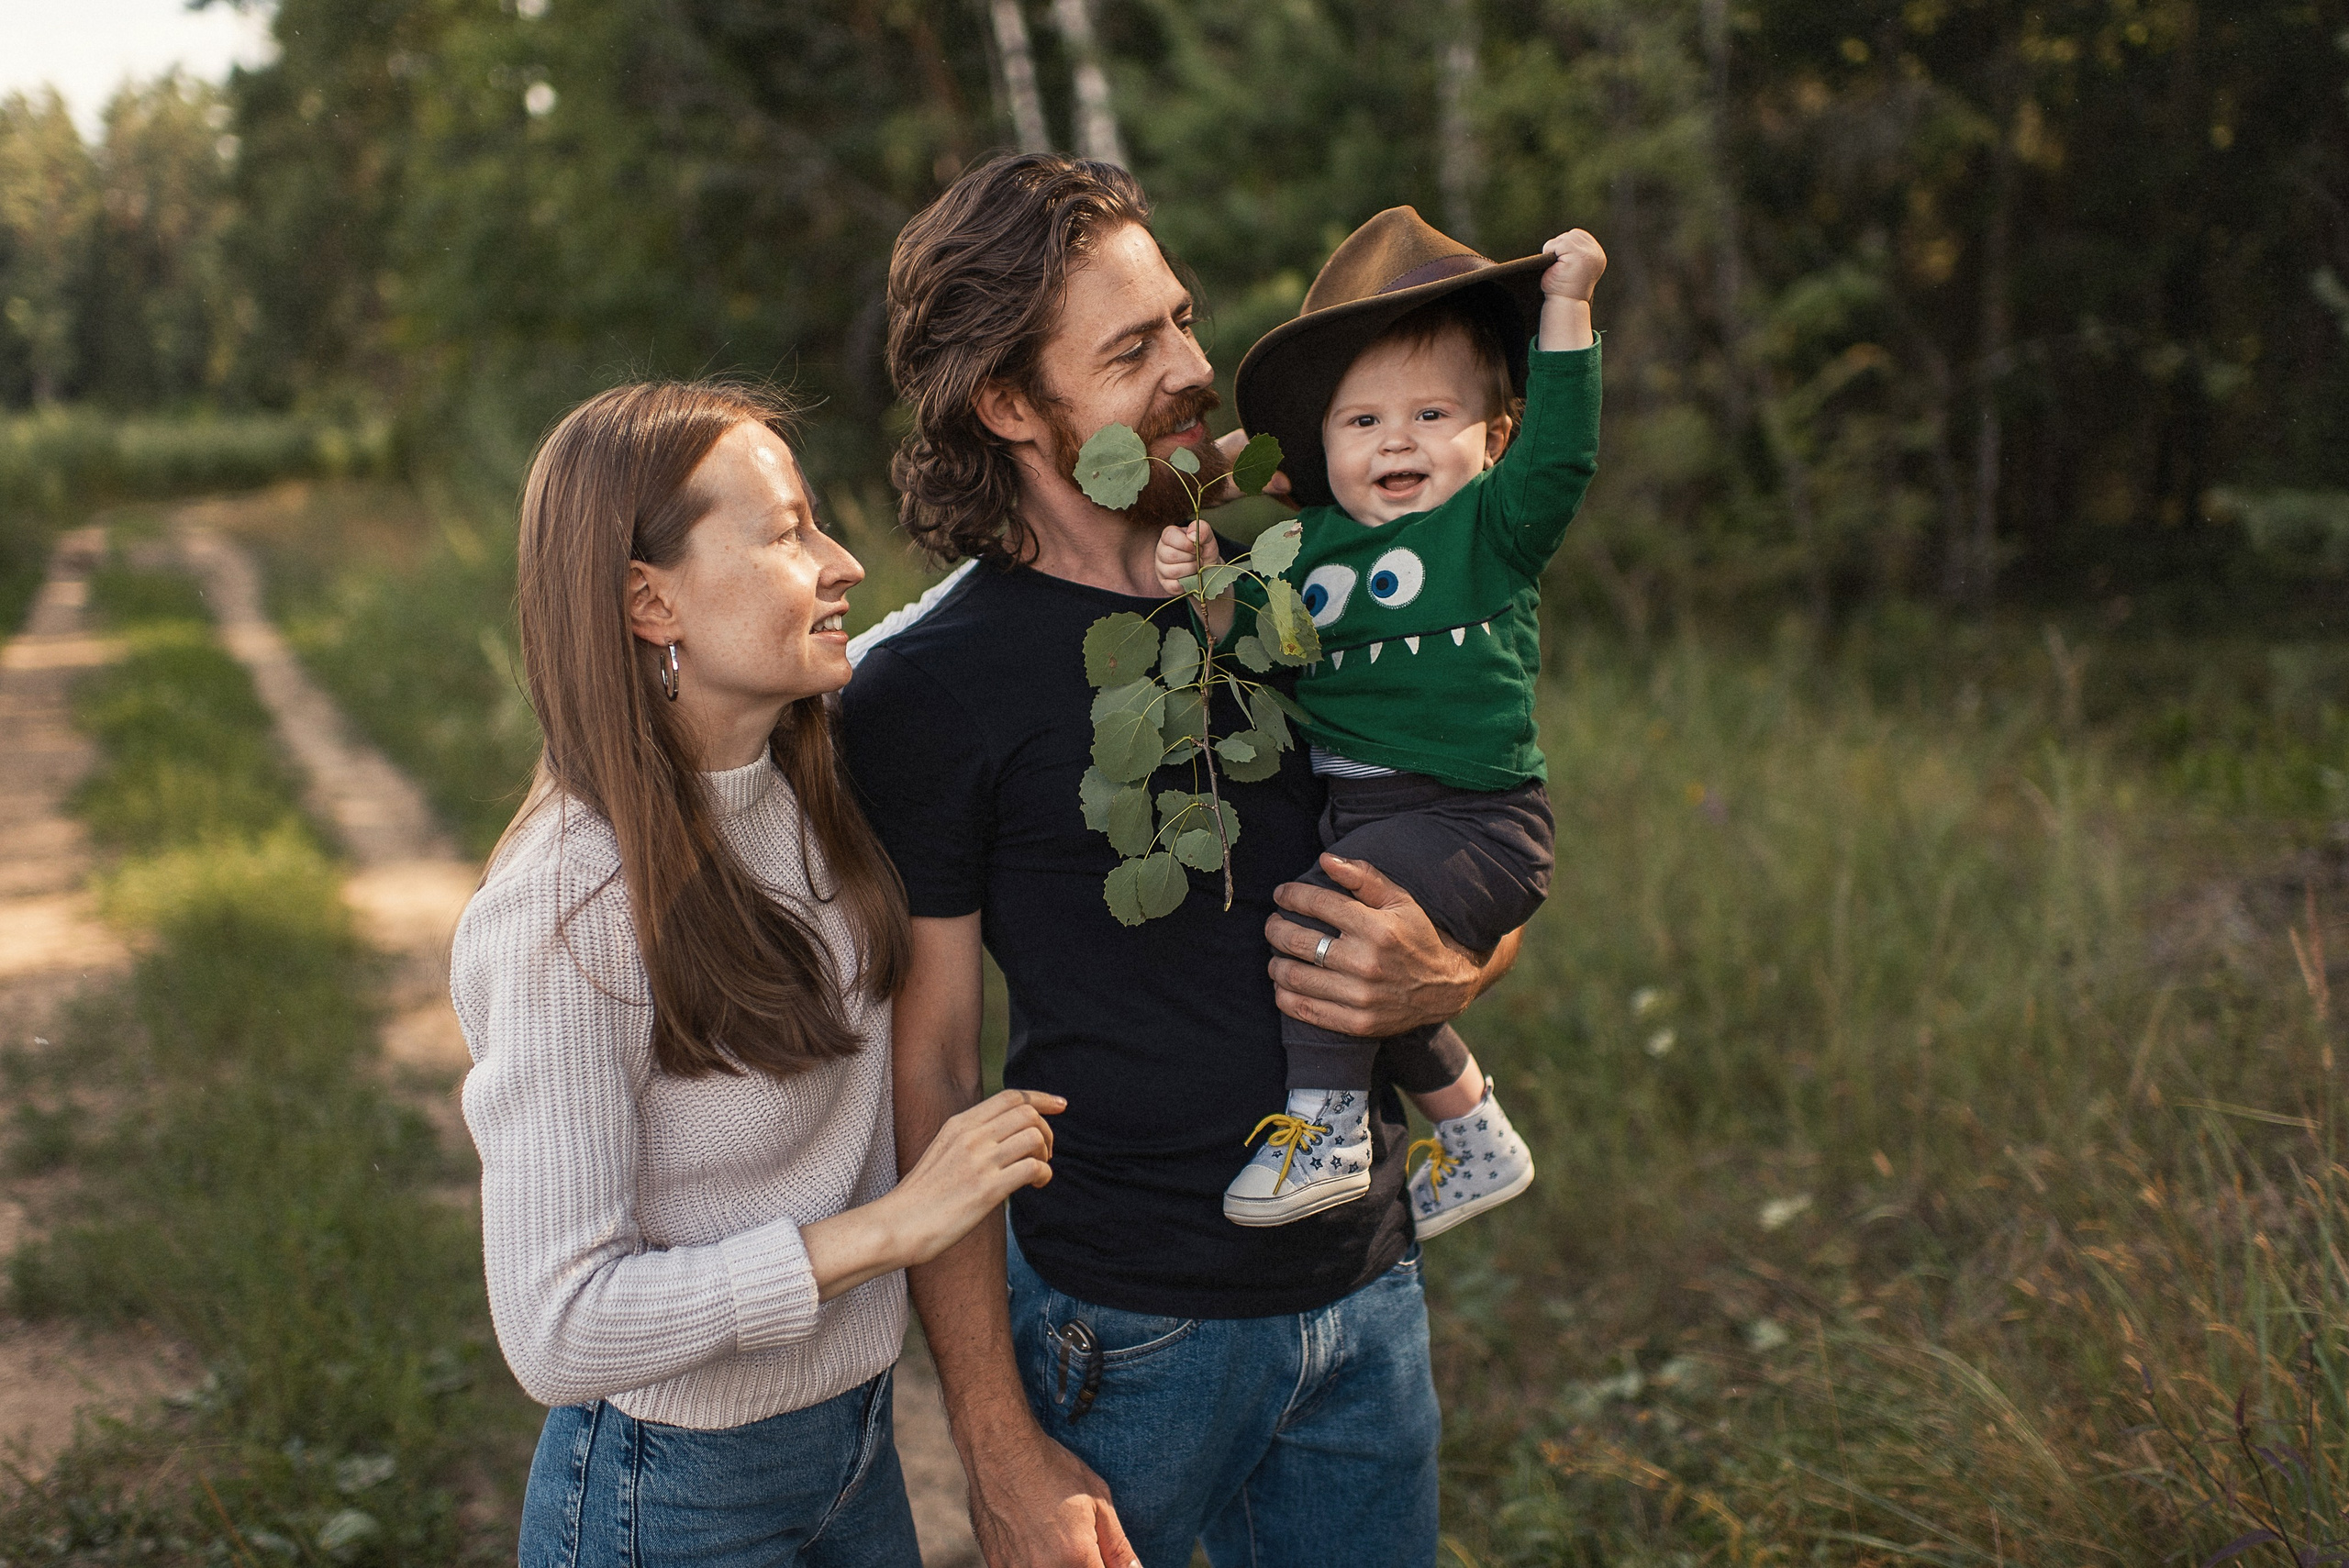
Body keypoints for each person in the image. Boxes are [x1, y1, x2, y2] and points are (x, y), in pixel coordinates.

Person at [841, 155, 1521, 1568]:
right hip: (1130, 1328)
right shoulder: (926, 688)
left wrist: (1449, 965)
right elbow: (933, 1067)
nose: (1197, 368)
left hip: (1368, 1285)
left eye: (1186, 319)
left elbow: (1465, 840)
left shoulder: (1290, 584)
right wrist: (995, 1438)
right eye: (1135, 347)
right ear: (1013, 405)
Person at [451, 380, 1063, 1568]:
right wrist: (883, 1229)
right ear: (649, 598)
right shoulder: (564, 905)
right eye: (787, 532)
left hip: (853, 1445)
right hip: (676, 1494)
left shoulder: (806, 782)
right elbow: (555, 1327)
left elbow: (971, 614)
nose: (840, 562)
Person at [1155, 207, 1605, 1236]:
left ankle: (1328, 1132)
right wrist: (1194, 571)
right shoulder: (1307, 544)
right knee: (1374, 982)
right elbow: (1243, 630)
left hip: (1474, 818)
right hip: (1368, 816)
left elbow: (1566, 456)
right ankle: (1478, 1134)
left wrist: (1566, 309)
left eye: (1429, 415)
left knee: (1321, 921)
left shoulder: (1491, 527)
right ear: (1321, 448)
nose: (1395, 439)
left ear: (1493, 439)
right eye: (1361, 422)